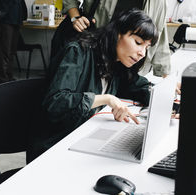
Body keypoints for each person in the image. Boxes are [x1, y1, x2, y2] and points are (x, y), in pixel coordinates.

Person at [27, 9, 158, 162]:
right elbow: (56, 102)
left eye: (147, 47)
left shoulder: (117, 63)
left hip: (82, 138)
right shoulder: (77, 51)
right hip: (53, 146)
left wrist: (167, 103)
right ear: (117, 34)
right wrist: (106, 99)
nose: (142, 53)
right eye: (138, 42)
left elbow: (138, 86)